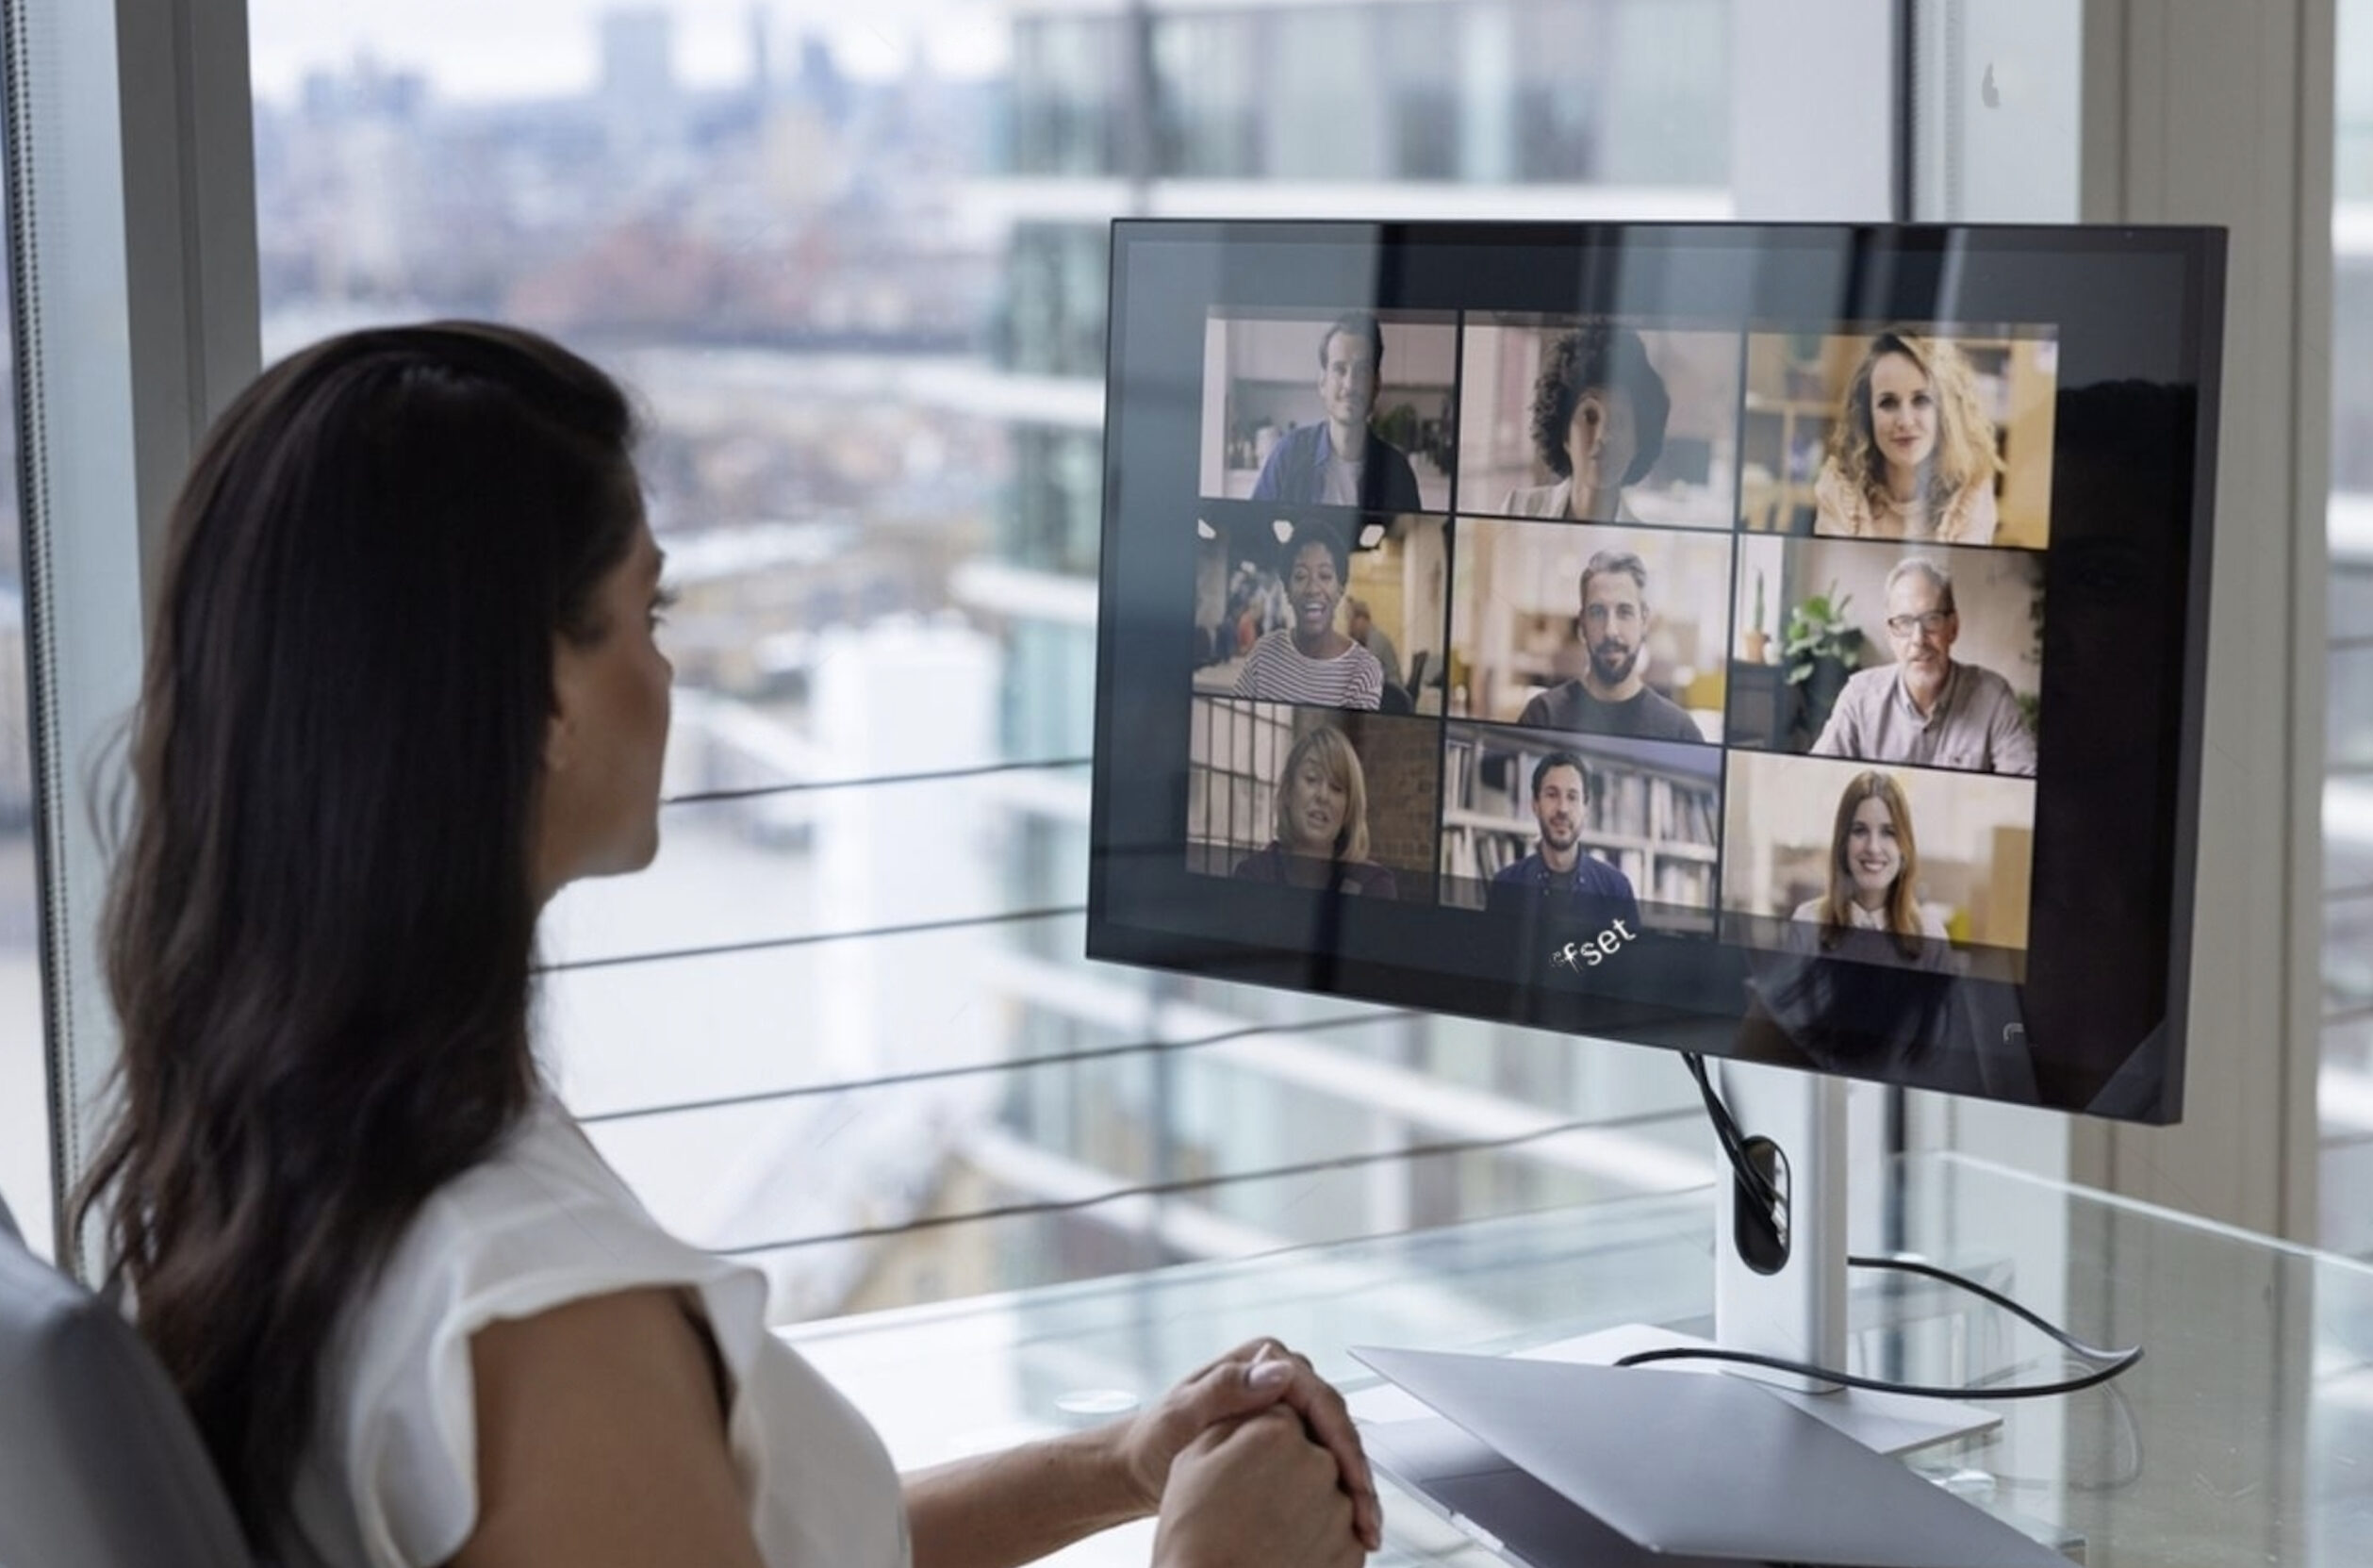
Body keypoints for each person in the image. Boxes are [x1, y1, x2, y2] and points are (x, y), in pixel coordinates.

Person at [71, 323, 1379, 1568]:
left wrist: (1113, 1463)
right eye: (648, 613)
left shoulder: (326, 1145)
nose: (672, 669)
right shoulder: (542, 1314)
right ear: (537, 701)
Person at [1809, 557, 2036, 775]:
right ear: (1890, 634)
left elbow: (2023, 787)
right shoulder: (1859, 697)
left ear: (1953, 627)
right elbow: (1818, 780)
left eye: (1931, 620)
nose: (1918, 639)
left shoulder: (1993, 697)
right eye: (1904, 623)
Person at [1811, 332, 2001, 545]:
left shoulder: (1972, 492)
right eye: (1888, 403)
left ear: (1946, 412)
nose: (1905, 421)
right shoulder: (1839, 487)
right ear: (1866, 416)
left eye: (1921, 400)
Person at [1518, 550, 1705, 741]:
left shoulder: (1679, 731)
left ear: (1644, 622)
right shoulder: (1542, 716)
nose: (1610, 631)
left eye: (1624, 612)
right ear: (1582, 625)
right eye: (1598, 612)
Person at [1249, 312, 1423, 509]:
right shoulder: (1288, 456)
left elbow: (1415, 539)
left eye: (1363, 370)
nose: (1350, 384)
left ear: (1376, 384)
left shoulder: (1397, 472)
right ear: (1323, 383)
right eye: (1340, 369)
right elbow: (1253, 532)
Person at [1499, 324, 1670, 522]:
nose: (1603, 436)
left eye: (1620, 421)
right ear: (1564, 434)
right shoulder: (1520, 509)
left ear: (1637, 444)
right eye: (1590, 417)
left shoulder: (1639, 540)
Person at [1789, 770, 1950, 960]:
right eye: (1860, 830)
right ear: (1843, 843)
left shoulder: (1930, 935)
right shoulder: (1808, 923)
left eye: (1889, 832)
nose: (1873, 847)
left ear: (1904, 847)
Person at [1233, 520, 1385, 709]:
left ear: (1340, 589)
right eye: (1300, 576)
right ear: (1287, 590)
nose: (1312, 589)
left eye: (1325, 575)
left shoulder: (1363, 670)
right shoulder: (1264, 654)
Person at [1230, 726, 1397, 897]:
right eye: (1311, 779)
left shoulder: (1374, 885)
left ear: (1349, 808)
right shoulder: (1253, 875)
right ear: (1288, 790)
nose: (1323, 796)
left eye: (1336, 787)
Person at [1487, 752, 1642, 931]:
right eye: (1552, 795)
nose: (1562, 808)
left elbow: (1631, 957)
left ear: (1585, 808)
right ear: (1535, 805)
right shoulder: (1505, 886)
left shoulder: (1616, 890)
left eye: (1572, 796)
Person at [1343, 596, 1403, 688]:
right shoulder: (1367, 640)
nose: (1350, 628)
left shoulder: (1376, 639)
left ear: (1362, 619)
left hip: (1391, 694)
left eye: (1352, 622)